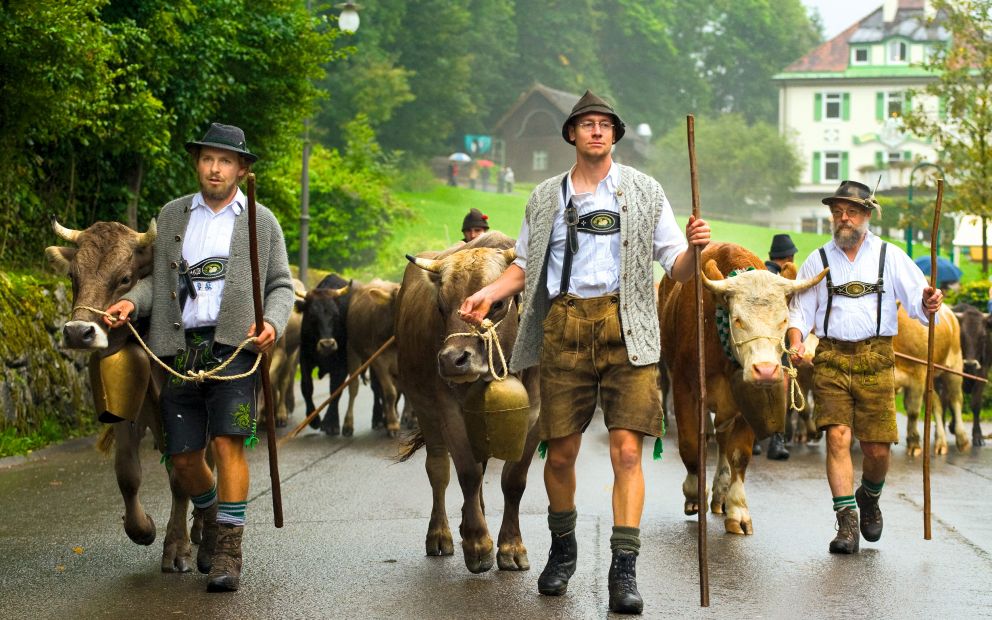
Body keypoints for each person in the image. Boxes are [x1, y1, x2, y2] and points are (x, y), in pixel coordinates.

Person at [459, 91, 710, 615]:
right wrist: (488, 293)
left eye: (604, 125)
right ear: (571, 134)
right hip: (565, 325)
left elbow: (678, 269)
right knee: (562, 450)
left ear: (614, 135)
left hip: (630, 326)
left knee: (626, 451)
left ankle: (624, 567)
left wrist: (695, 249)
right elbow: (524, 266)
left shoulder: (645, 191)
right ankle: (563, 549)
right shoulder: (546, 196)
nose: (595, 131)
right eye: (585, 124)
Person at [104, 123, 294, 591]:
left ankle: (229, 550)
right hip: (178, 351)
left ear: (242, 169)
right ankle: (209, 514)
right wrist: (134, 301)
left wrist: (272, 322)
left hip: (234, 347)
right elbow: (159, 284)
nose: (215, 168)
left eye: (225, 161)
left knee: (229, 443)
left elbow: (281, 285)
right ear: (197, 163)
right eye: (208, 159)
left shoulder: (260, 222)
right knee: (183, 458)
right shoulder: (172, 217)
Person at [787, 180, 942, 555]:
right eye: (837, 211)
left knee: (876, 450)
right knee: (837, 437)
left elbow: (921, 307)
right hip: (831, 359)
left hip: (876, 359)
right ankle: (846, 524)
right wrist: (794, 341)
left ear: (867, 215)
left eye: (851, 211)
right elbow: (799, 312)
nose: (843, 218)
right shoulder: (817, 260)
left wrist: (930, 301)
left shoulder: (891, 258)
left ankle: (869, 497)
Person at [761, 233, 800, 461]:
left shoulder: (757, 274)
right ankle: (777, 439)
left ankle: (755, 439)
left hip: (755, 342)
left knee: (755, 387)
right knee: (782, 388)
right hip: (778, 343)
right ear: (789, 258)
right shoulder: (785, 280)